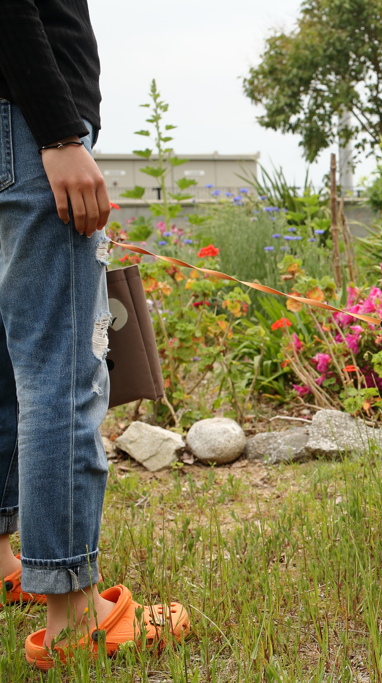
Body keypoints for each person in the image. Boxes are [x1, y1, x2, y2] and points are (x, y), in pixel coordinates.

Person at [0, 0, 188, 669]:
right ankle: (74, 615)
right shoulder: (44, 133)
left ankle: (3, 559)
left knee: (5, 363)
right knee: (59, 368)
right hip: (25, 125)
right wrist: (57, 133)